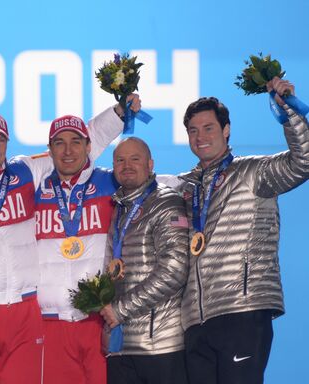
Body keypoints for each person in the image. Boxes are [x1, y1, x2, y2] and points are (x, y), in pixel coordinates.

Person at [0, 102, 128, 383]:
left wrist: (117, 114)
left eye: (0, 139)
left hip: (23, 307)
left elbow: (79, 148)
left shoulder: (25, 172)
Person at [176, 77, 309, 384]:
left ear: (226, 130)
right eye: (193, 131)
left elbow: (303, 161)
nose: (200, 136)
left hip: (243, 311)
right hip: (195, 321)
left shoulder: (254, 172)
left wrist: (289, 110)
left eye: (208, 127)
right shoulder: (185, 187)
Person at [33, 108, 137, 384]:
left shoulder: (111, 182)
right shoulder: (32, 189)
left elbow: (154, 187)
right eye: (59, 143)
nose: (68, 151)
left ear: (88, 146)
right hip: (49, 322)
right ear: (49, 150)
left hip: (98, 320)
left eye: (76, 142)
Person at [99, 137, 189, 384]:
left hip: (160, 347)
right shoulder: (120, 208)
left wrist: (120, 310)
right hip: (121, 347)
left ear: (150, 164)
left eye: (134, 159)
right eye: (120, 160)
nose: (127, 165)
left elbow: (175, 269)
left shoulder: (166, 202)